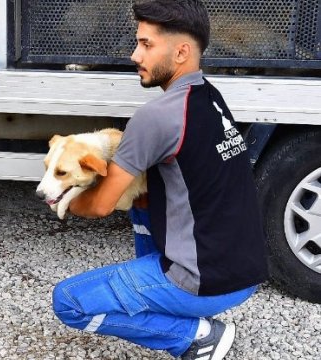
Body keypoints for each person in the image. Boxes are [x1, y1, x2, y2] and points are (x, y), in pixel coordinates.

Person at [52, 1, 268, 359]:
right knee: (141, 201)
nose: (135, 55)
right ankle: (165, 301)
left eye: (146, 45)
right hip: (244, 272)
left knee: (69, 302)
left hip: (205, 282)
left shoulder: (155, 118)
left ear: (181, 51)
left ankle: (193, 335)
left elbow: (102, 205)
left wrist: (65, 202)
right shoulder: (211, 97)